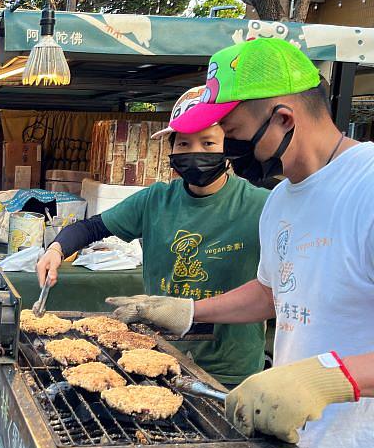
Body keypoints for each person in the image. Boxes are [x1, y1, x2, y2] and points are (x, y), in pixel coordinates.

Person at [107, 38, 374, 448]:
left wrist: (327, 379)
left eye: (232, 132)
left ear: (284, 119)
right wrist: (190, 311)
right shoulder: (280, 203)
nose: (226, 149)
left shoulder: (368, 187)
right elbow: (275, 294)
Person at [36, 86, 269, 387]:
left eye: (209, 143)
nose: (194, 153)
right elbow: (90, 228)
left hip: (230, 372)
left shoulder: (262, 206)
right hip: (162, 357)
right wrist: (55, 249)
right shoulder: (156, 200)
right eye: (183, 144)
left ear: (231, 147)